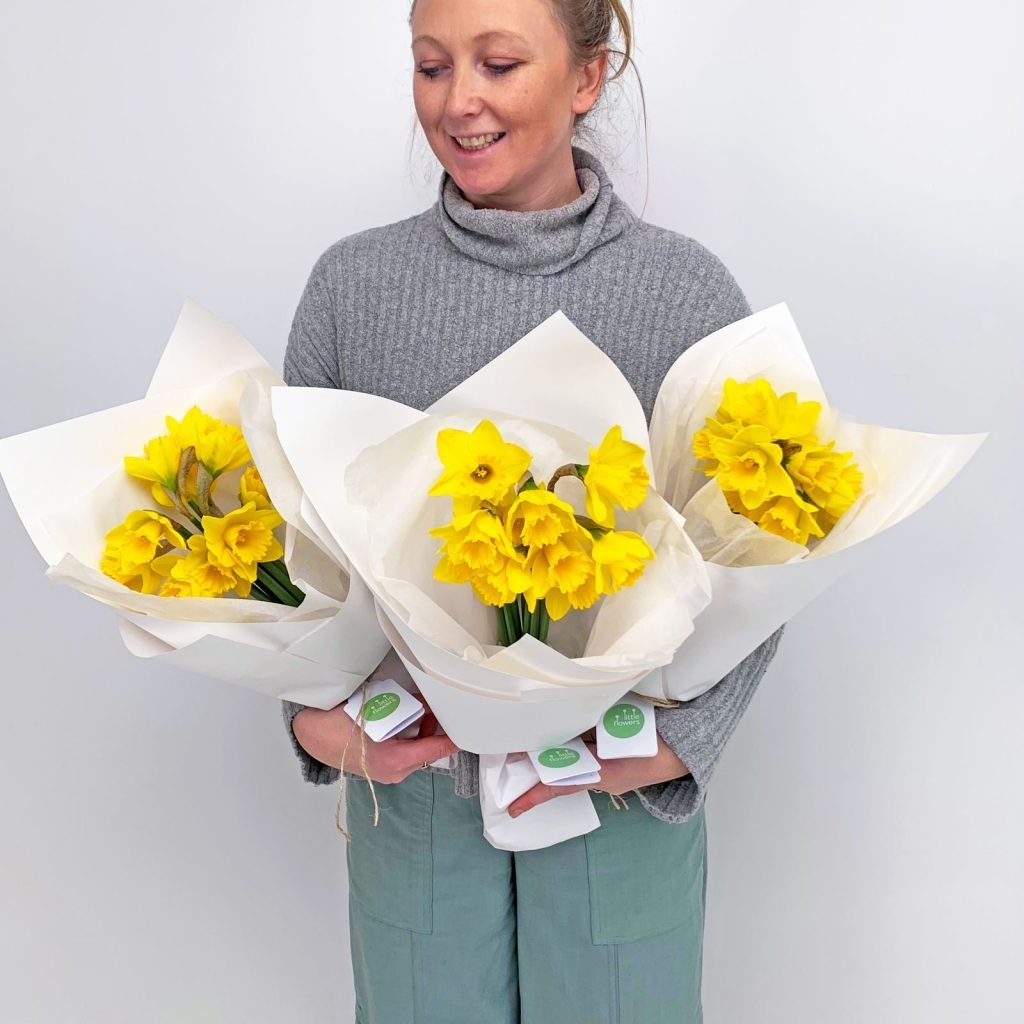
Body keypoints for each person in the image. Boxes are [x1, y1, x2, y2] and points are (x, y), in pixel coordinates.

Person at [282, 0, 785, 1020]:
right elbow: (295, 561)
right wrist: (320, 726)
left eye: (498, 63)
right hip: (414, 794)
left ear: (587, 79)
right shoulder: (352, 291)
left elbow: (768, 551)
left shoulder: (684, 297)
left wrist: (677, 747)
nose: (457, 99)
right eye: (430, 66)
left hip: (613, 799)